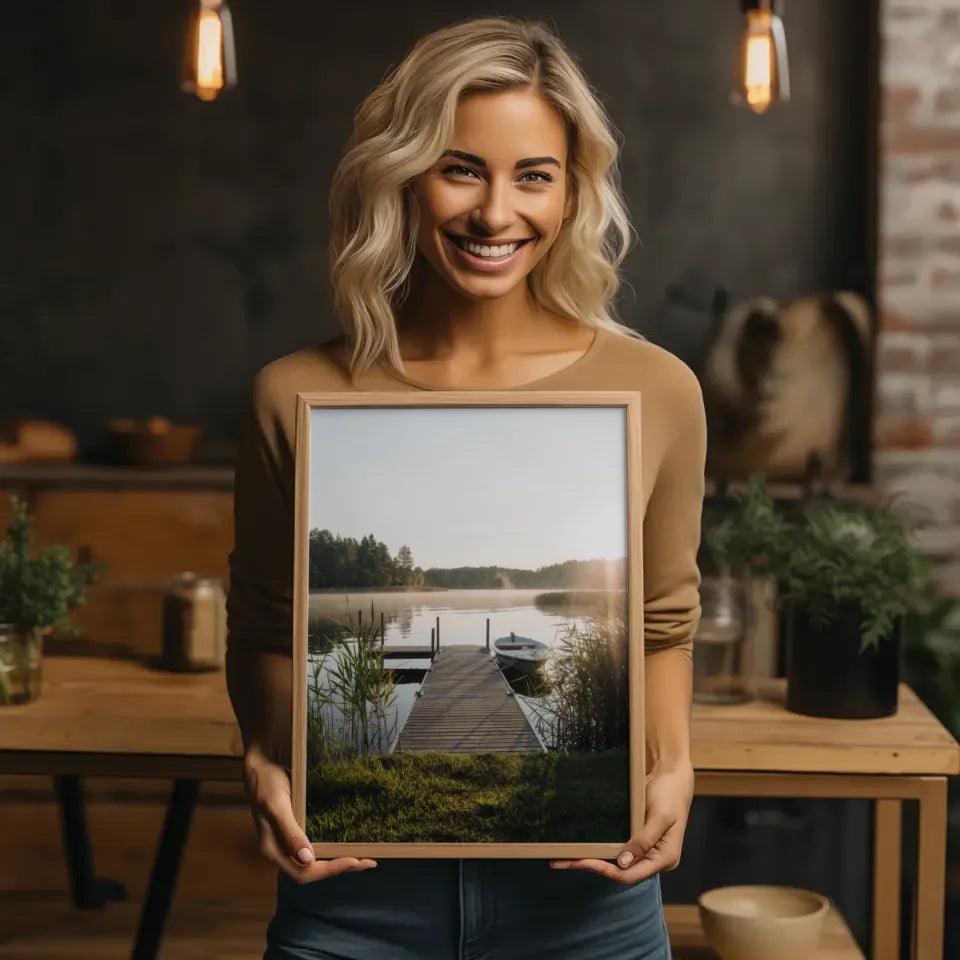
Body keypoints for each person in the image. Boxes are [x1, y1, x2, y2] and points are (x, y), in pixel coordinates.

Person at [226, 16, 705, 960]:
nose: (496, 214)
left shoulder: (659, 390)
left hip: (587, 905)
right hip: (351, 901)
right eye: (460, 169)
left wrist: (675, 766)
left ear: (572, 195)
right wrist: (261, 754)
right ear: (401, 178)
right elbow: (265, 626)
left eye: (534, 175)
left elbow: (661, 624)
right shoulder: (296, 394)